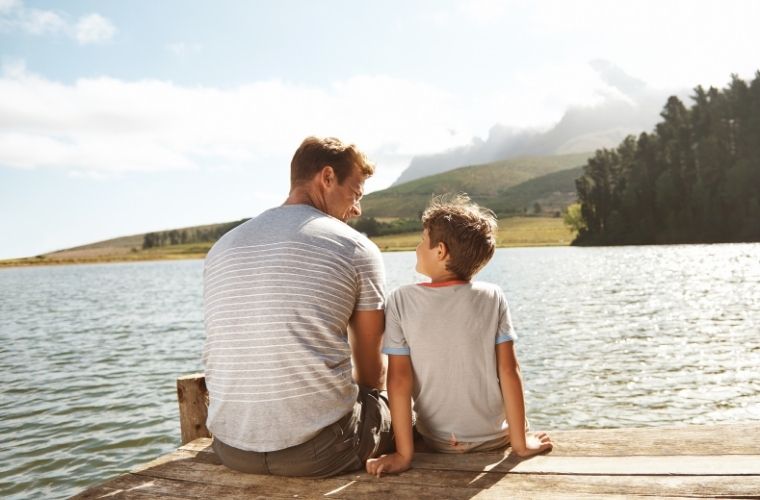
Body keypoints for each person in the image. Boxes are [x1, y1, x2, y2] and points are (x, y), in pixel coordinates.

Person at [202, 136, 393, 478]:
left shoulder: (222, 247)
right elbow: (370, 372)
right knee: (402, 398)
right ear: (328, 177)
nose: (357, 209)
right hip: (323, 453)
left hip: (230, 448)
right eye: (357, 193)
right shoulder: (355, 248)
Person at [366, 194, 553, 477]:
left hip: (439, 441)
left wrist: (404, 455)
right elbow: (509, 370)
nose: (417, 247)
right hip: (496, 437)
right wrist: (520, 442)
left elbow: (399, 379)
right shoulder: (493, 296)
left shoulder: (400, 300)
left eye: (422, 239)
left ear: (440, 251)